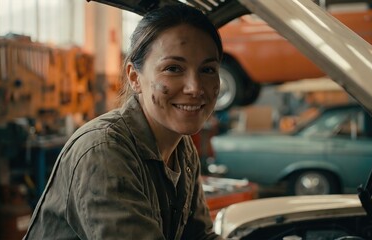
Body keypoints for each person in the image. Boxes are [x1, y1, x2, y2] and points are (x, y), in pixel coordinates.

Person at [23, 3, 223, 240]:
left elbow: (199, 237)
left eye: (208, 70)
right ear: (134, 77)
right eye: (173, 68)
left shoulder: (182, 149)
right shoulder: (103, 150)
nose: (195, 87)